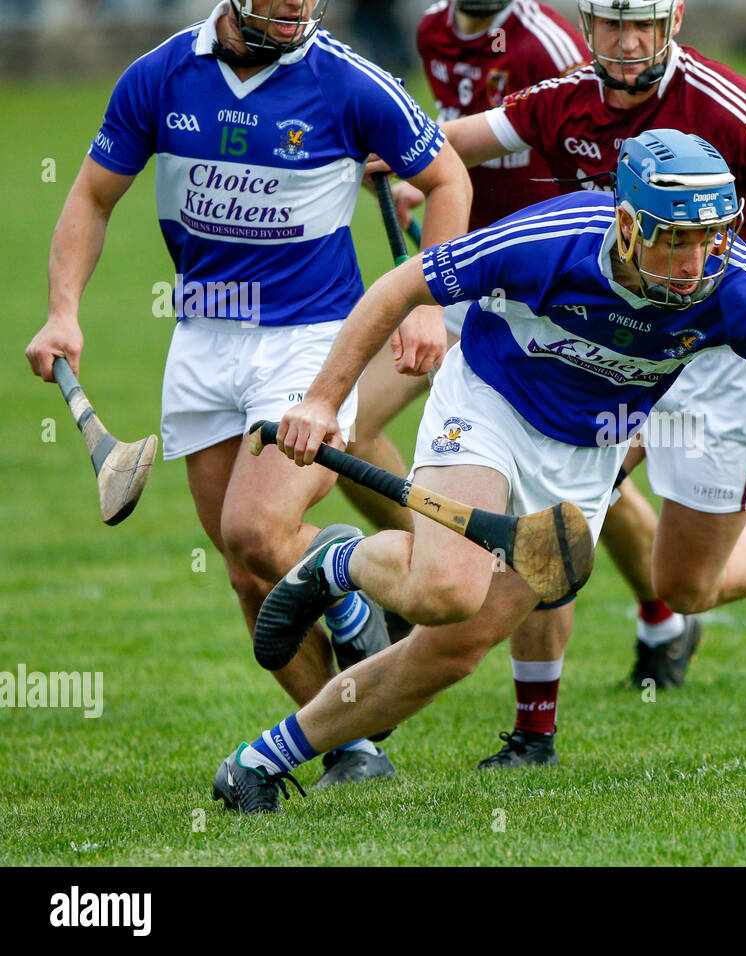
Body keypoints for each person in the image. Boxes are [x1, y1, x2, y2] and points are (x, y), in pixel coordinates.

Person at [210, 129, 746, 813]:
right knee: (446, 589)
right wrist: (325, 398)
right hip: (489, 403)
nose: (695, 262)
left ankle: (259, 762)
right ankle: (343, 563)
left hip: (585, 453)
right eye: (675, 238)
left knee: (452, 652)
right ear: (628, 224)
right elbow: (400, 287)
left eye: (712, 237)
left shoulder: (740, 290)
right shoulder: (553, 239)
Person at [24, 0, 471, 781]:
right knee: (246, 571)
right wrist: (63, 312)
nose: (297, 3)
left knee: (260, 530)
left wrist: (429, 300)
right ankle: (349, 744)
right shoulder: (161, 76)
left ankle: (351, 581)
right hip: (201, 337)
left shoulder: (350, 82)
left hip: (310, 340)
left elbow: (447, 179)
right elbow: (92, 197)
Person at [439, 0, 746, 768]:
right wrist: (367, 144)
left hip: (724, 355)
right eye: (612, 23)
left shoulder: (731, 107)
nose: (629, 41)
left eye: (644, 23)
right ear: (587, 22)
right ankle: (534, 731)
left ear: (674, 21)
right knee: (552, 514)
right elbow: (445, 145)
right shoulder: (566, 96)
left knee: (688, 583)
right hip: (620, 335)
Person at [337, 0, 587, 540]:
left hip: (539, 290)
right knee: (349, 429)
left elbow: (591, 173)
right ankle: (425, 560)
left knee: (554, 495)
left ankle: (661, 619)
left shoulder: (549, 45)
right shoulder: (432, 30)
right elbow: (457, 146)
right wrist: (418, 180)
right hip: (465, 270)